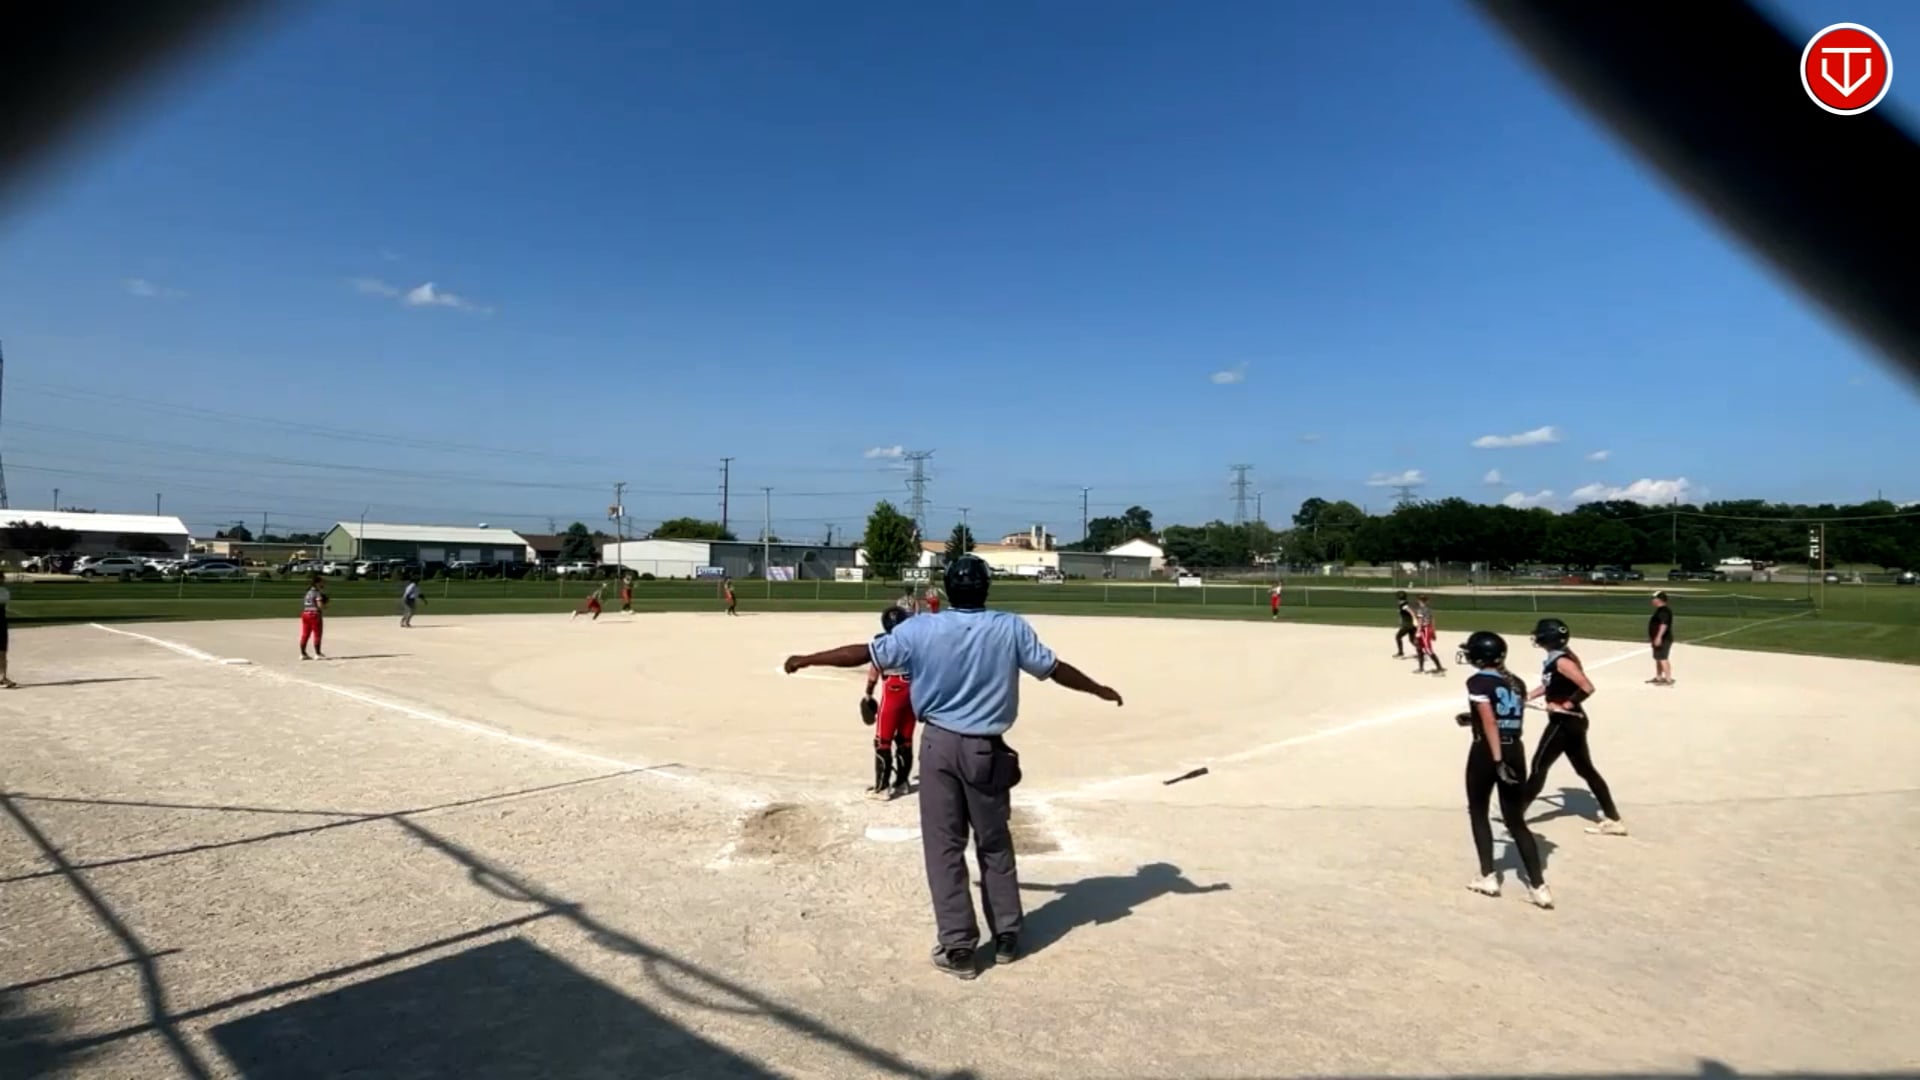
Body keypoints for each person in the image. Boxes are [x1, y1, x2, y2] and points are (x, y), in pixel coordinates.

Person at [783, 554, 1123, 980]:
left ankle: (958, 946)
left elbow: (863, 653)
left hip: (940, 747)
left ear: (945, 590)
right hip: (986, 749)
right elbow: (1054, 670)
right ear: (987, 589)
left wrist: (807, 658)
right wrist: (1098, 689)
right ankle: (1007, 936)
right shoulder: (1010, 627)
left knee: (944, 846)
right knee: (994, 842)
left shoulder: (920, 628)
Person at [1456, 630, 1552, 908]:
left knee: (1478, 811)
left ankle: (1488, 876)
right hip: (1515, 750)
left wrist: (1497, 761)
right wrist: (1472, 719)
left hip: (1488, 751)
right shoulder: (1516, 682)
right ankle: (1539, 887)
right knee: (1515, 820)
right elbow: (1507, 715)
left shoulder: (1478, 681)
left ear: (1479, 657)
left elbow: (1490, 722)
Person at [1523, 618, 1627, 836]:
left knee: (1539, 766)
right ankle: (1613, 819)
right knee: (1585, 770)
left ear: (1548, 638)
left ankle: (1515, 813)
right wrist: (1528, 696)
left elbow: (1587, 687)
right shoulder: (1557, 659)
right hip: (1572, 722)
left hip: (1565, 722)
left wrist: (1564, 705)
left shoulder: (1562, 661)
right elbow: (1550, 685)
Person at [864, 606, 918, 800]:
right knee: (905, 739)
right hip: (912, 692)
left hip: (893, 691)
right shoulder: (914, 643)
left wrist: (868, 694)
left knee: (883, 741)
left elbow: (873, 675)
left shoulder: (883, 644)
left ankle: (882, 788)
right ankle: (902, 783)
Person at [1648, 591, 1675, 685]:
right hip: (1659, 638)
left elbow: (1664, 625)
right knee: (1658, 658)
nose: (1652, 600)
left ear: (1659, 600)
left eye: (1654, 598)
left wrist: (1659, 637)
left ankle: (1668, 679)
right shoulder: (1660, 610)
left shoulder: (1664, 611)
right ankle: (1658, 677)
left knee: (1663, 658)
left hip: (1663, 639)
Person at [1413, 595, 1445, 675]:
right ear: (1427, 601)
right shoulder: (1429, 610)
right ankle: (1421, 668)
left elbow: (1420, 622)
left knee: (1427, 649)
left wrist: (1418, 632)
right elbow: (1433, 621)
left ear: (1419, 601)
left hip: (1424, 630)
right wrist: (1433, 632)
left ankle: (1439, 667)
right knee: (1419, 648)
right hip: (1428, 629)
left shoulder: (1420, 610)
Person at [299, 574, 328, 660]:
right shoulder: (317, 593)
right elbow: (319, 605)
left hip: (305, 613)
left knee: (305, 634)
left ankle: (303, 654)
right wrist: (324, 605)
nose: (323, 584)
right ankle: (317, 654)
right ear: (317, 583)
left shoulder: (308, 592)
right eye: (322, 582)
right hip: (314, 614)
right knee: (317, 634)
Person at [0, 585, 16, 689]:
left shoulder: (4, 591)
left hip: (1, 622)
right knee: (2, 651)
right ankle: (2, 677)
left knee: (2, 651)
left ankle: (3, 677)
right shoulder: (4, 591)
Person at [1394, 590, 1416, 657]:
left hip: (1407, 625)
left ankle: (1400, 652)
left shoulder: (1404, 605)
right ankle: (1421, 651)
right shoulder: (1405, 604)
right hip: (1411, 625)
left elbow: (1411, 612)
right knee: (1412, 640)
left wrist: (1414, 619)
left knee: (1398, 637)